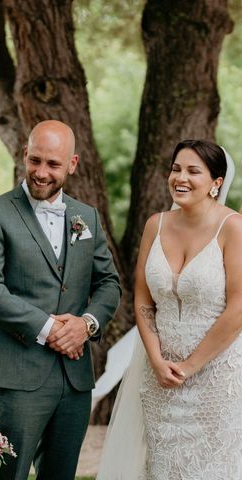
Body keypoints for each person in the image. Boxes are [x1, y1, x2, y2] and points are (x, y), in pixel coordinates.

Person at [0, 120, 121, 480]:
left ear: (73, 164)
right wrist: (50, 328)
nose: (41, 172)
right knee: (8, 475)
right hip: (18, 376)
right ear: (24, 154)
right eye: (35, 160)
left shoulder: (87, 217)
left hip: (75, 378)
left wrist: (87, 324)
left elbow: (109, 283)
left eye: (52, 164)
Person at [97, 140, 242, 479]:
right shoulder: (155, 224)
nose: (181, 178)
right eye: (176, 169)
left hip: (216, 377)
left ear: (216, 182)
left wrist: (190, 366)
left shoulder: (233, 228)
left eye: (194, 171)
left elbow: (239, 307)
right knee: (163, 466)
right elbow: (143, 300)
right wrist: (157, 360)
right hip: (160, 376)